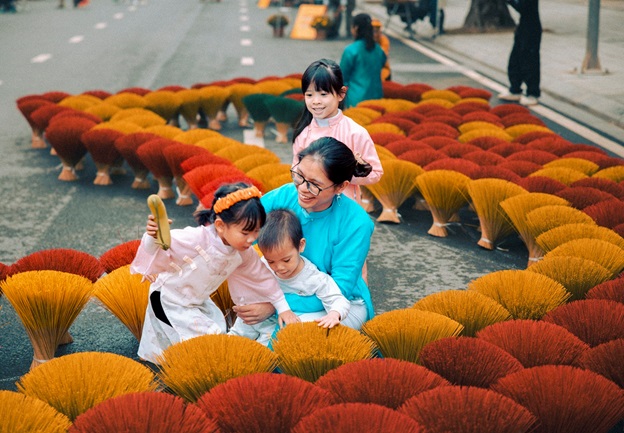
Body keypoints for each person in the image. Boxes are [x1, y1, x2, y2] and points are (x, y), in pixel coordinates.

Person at [131, 183, 298, 363]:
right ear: (220, 225)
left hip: (196, 301)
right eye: (245, 232)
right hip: (169, 299)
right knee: (211, 340)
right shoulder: (196, 238)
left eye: (256, 231)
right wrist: (153, 236)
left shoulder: (243, 253)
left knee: (213, 332)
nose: (252, 239)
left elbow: (262, 278)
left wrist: (283, 308)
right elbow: (164, 245)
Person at [234, 137, 376, 330]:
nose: (302, 188)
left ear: (341, 187)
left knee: (288, 334)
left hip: (338, 305)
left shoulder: (356, 222)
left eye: (314, 184)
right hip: (284, 289)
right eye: (299, 176)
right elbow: (242, 232)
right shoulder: (285, 195)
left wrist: (274, 306)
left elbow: (340, 288)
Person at [292, 58, 383, 205]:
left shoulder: (355, 133)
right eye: (309, 95)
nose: (316, 101)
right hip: (311, 208)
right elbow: (295, 172)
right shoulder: (303, 134)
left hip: (345, 209)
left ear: (341, 94)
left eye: (323, 94)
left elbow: (376, 173)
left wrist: (347, 174)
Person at [257, 208, 350, 330]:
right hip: (266, 317)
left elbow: (338, 300)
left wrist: (334, 314)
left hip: (295, 318)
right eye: (271, 261)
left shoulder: (313, 278)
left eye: (286, 260)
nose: (279, 267)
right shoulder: (263, 265)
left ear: (301, 245)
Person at [498, 0, 542, 106]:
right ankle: (515, 89)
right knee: (515, 59)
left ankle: (532, 93)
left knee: (529, 61)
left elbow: (523, 7)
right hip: (522, 26)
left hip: (532, 28)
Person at [340, 13, 387, 109]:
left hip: (356, 99)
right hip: (377, 98)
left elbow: (342, 77)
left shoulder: (350, 50)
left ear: (356, 28)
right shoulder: (378, 49)